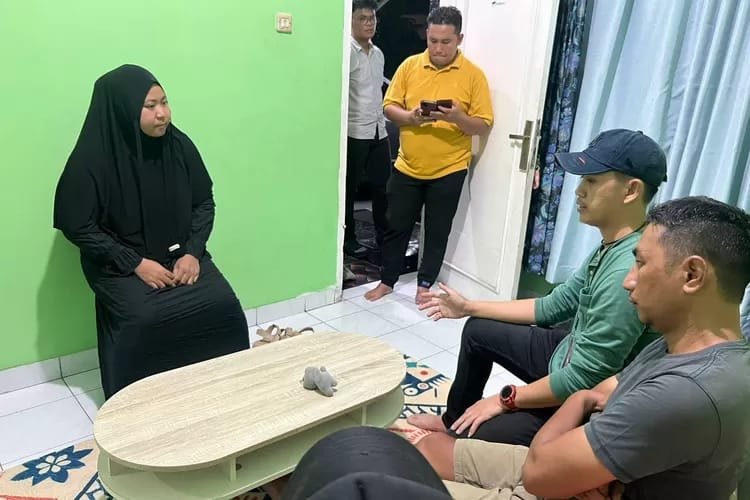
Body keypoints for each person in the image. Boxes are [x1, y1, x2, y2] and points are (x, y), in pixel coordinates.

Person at [417, 196, 750, 500]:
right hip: (578, 472)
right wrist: (586, 403)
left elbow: (538, 474)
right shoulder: (683, 345)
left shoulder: (685, 391)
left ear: (692, 274)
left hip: (553, 478)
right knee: (424, 448)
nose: (628, 281)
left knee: (398, 480)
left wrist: (578, 400)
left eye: (642, 264)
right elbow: (608, 386)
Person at [409, 129, 665, 448]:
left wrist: (504, 399)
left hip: (586, 398)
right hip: (570, 353)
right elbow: (552, 306)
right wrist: (468, 307)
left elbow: (585, 378)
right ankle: (453, 421)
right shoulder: (614, 244)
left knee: (478, 438)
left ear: (631, 190)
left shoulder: (625, 270)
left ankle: (460, 439)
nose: (579, 191)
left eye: (592, 180)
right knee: (478, 330)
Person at [53, 65, 249, 399]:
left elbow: (203, 202)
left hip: (180, 255)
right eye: (150, 106)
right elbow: (78, 226)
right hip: (118, 265)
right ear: (123, 111)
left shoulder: (178, 145)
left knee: (223, 305)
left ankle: (219, 392)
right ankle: (139, 405)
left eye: (164, 102)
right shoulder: (91, 162)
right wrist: (134, 263)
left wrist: (192, 252)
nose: (162, 114)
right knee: (143, 318)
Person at [364, 6, 494, 304]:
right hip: (407, 166)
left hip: (450, 168)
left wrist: (457, 117)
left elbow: (483, 124)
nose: (438, 48)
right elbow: (389, 106)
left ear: (459, 39)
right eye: (433, 40)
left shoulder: (473, 76)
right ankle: (387, 280)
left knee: (437, 231)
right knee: (395, 226)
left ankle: (425, 284)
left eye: (445, 42)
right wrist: (410, 117)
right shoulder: (409, 66)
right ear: (426, 35)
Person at [344, 0, 391, 262]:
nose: (369, 23)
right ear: (351, 20)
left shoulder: (379, 54)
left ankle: (384, 238)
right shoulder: (347, 52)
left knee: (383, 188)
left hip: (378, 130)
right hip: (354, 132)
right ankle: (348, 240)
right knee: (349, 191)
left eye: (372, 18)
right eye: (363, 18)